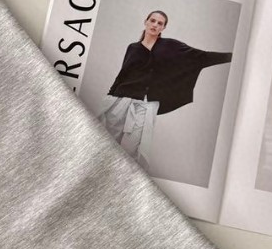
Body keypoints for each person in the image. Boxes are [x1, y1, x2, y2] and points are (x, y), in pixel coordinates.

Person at [99, 9, 233, 171]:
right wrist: (110, 96)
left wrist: (232, 56)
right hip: (120, 100)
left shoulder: (170, 46)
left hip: (145, 105)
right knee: (109, 143)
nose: (155, 25)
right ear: (146, 22)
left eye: (160, 23)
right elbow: (123, 73)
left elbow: (201, 57)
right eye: (152, 20)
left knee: (130, 149)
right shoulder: (133, 48)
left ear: (163, 28)